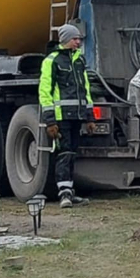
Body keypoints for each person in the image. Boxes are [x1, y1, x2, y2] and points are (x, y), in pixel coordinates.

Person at [39, 23, 93, 207]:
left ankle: (70, 192)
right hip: (61, 117)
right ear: (65, 40)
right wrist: (50, 121)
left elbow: (85, 89)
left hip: (77, 116)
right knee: (64, 154)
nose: (78, 41)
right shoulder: (52, 61)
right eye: (75, 39)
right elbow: (45, 92)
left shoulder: (79, 60)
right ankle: (64, 194)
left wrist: (90, 117)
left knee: (71, 153)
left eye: (78, 38)